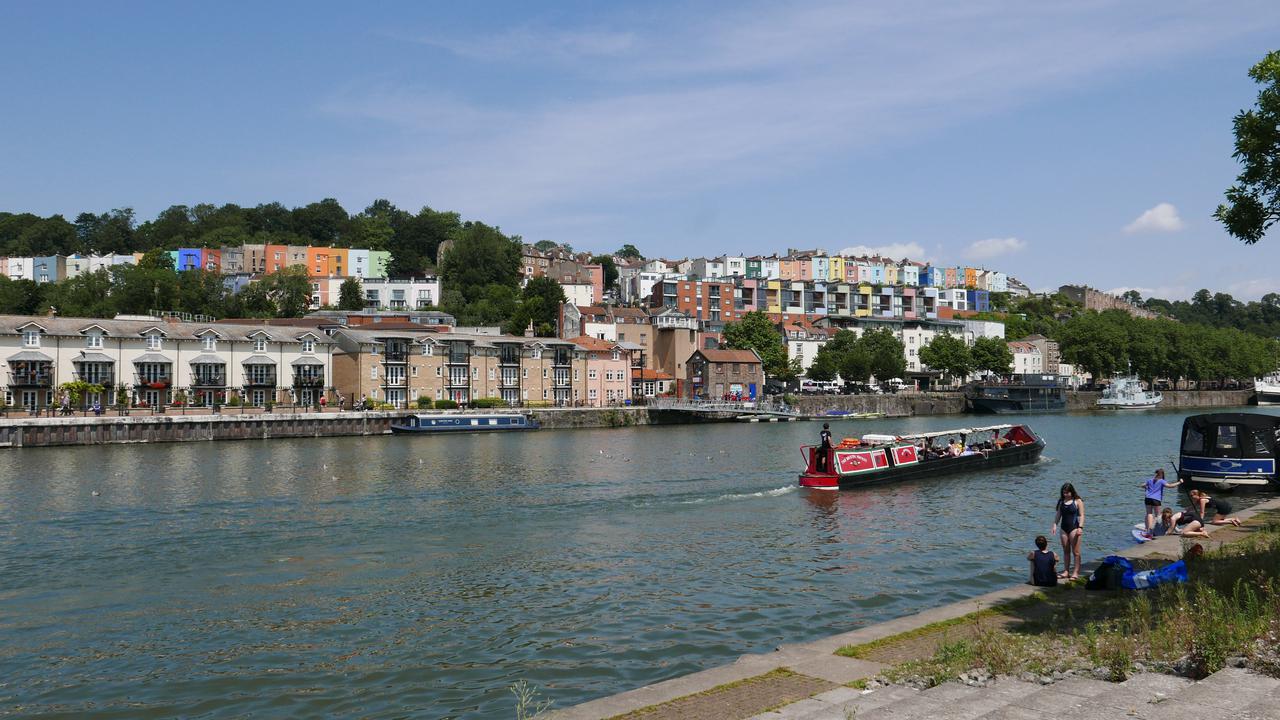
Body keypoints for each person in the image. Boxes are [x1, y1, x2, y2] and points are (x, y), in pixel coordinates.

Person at [1052, 482, 1084, 580]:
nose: (1065, 494)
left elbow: (1082, 515)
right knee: (1066, 550)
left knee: (1076, 552)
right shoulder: (1061, 501)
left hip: (1074, 528)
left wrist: (1080, 527)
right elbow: (1058, 515)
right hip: (1063, 528)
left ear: (1072, 492)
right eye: (1064, 492)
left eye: (1067, 492)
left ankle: (1075, 572)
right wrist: (1054, 524)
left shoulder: (1077, 501)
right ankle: (1066, 571)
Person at [1140, 469, 1181, 537]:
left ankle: (1147, 529)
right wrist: (1179, 482)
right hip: (1156, 499)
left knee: (1149, 514)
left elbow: (1142, 485)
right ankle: (1152, 530)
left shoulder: (1150, 480)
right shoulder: (1162, 481)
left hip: (1147, 498)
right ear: (1162, 474)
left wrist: (1146, 488)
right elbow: (1170, 486)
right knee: (1158, 516)